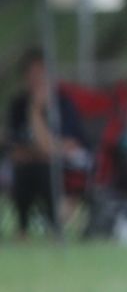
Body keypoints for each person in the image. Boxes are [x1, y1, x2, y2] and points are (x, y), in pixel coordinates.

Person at [4, 48, 92, 238]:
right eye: (32, 74)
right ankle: (23, 229)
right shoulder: (18, 105)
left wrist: (35, 112)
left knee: (43, 168)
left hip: (67, 168)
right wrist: (43, 150)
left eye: (41, 73)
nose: (36, 79)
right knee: (26, 169)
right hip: (29, 167)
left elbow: (60, 149)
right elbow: (16, 150)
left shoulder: (63, 104)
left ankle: (54, 225)